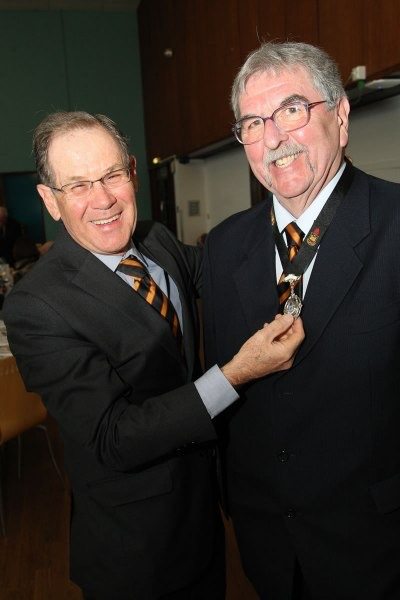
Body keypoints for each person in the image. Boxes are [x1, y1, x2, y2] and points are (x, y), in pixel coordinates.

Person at [3, 111, 304, 600]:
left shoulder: (156, 240)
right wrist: (234, 375)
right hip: (137, 549)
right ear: (50, 201)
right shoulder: (36, 306)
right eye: (78, 185)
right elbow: (112, 436)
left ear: (133, 174)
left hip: (204, 517)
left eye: (112, 175)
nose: (103, 199)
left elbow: (231, 275)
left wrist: (294, 199)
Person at [202, 41, 400, 600]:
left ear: (341, 115)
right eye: (253, 123)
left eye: (291, 109)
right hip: (267, 546)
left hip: (377, 546)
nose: (273, 138)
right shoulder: (223, 246)